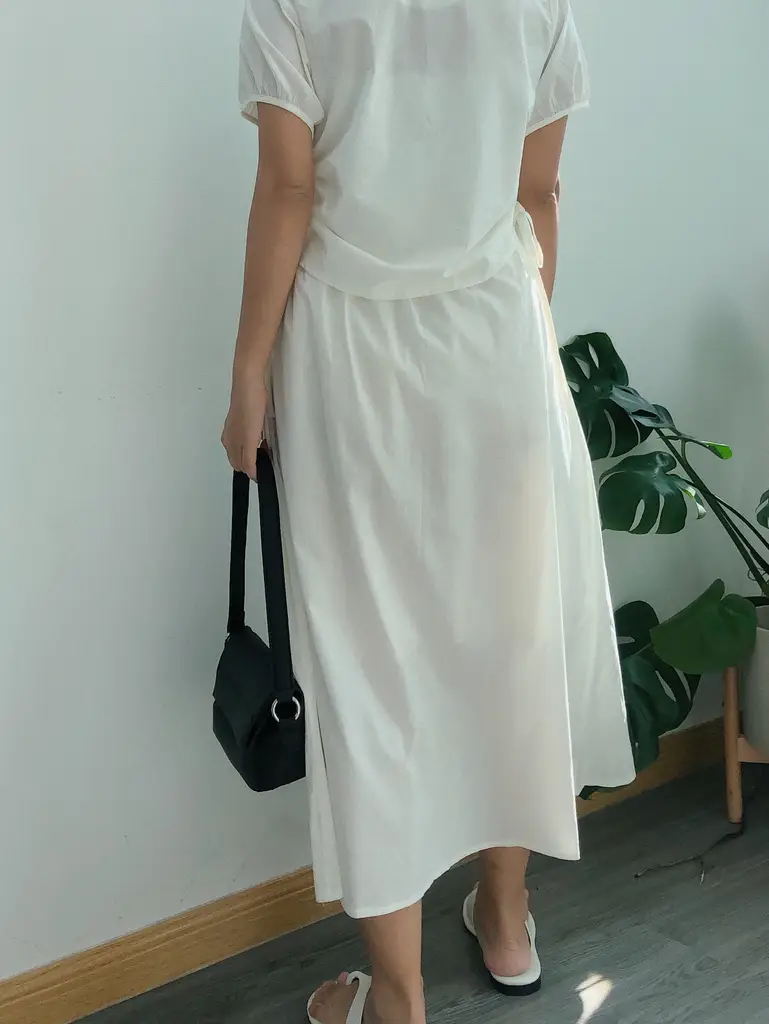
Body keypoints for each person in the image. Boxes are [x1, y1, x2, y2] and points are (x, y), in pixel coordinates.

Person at [222, 1, 636, 1022]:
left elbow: (288, 187)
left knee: (371, 674)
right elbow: (538, 191)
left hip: (350, 363)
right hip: (494, 340)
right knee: (507, 645)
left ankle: (398, 1000)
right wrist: (516, 345)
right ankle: (504, 922)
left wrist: (247, 376)